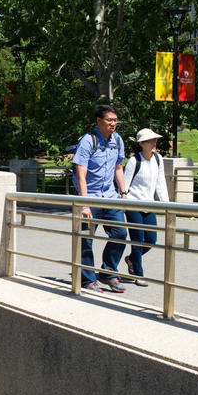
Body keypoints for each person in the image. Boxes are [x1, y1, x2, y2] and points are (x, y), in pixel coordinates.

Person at [72, 104, 128, 293]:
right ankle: (87, 279)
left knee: (120, 234)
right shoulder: (88, 141)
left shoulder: (118, 140)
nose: (113, 124)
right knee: (87, 239)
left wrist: (123, 194)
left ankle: (108, 272)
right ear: (99, 121)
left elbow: (118, 168)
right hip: (90, 197)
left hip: (110, 196)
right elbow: (81, 174)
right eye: (109, 120)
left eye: (115, 120)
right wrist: (84, 203)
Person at [122, 128, 169, 286]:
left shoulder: (158, 159)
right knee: (138, 240)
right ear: (141, 143)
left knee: (151, 240)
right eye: (150, 141)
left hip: (149, 205)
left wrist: (168, 206)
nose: (154, 143)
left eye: (154, 140)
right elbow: (125, 187)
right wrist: (124, 206)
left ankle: (131, 259)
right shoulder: (134, 162)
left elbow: (160, 183)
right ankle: (139, 274)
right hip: (134, 205)